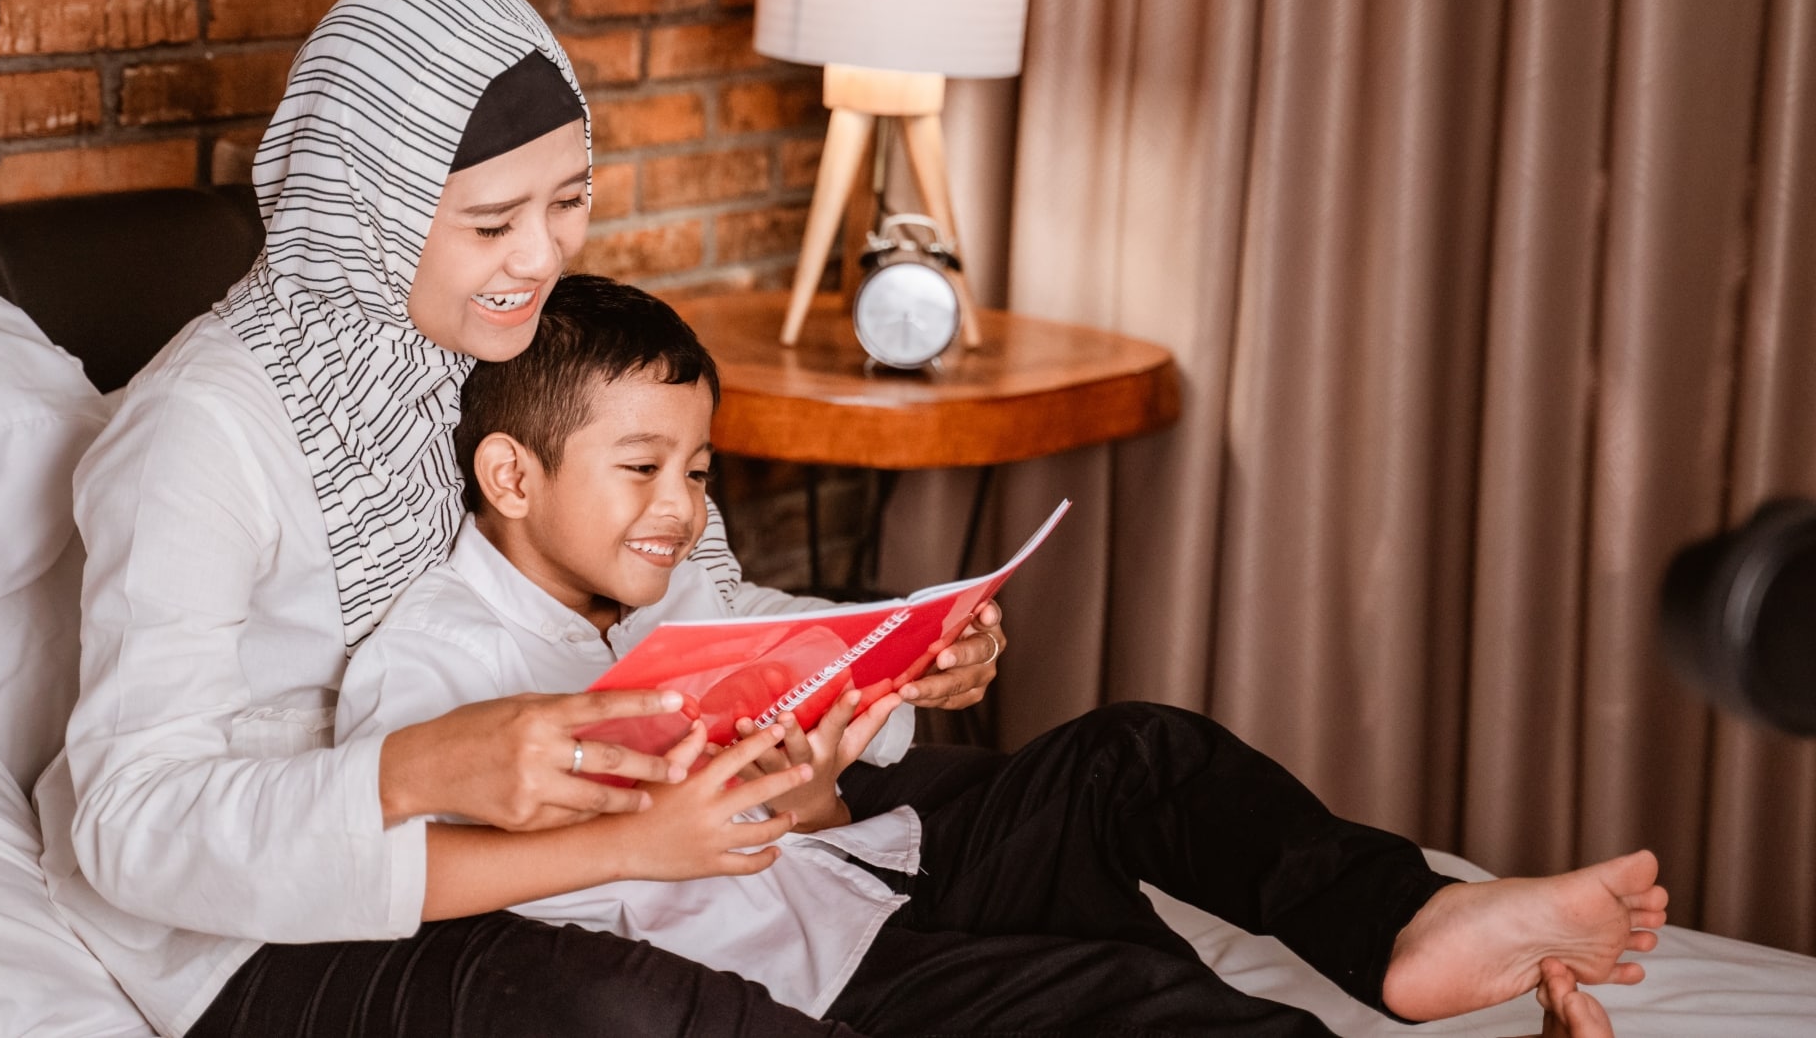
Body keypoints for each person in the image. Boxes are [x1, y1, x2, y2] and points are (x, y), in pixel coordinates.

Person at [35, 0, 1663, 1038]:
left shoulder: (488, 346)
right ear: (369, 202)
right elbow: (132, 824)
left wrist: (864, 670)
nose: (543, 259)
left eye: (570, 204)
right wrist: (436, 767)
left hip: (633, 822)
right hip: (298, 933)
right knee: (686, 1002)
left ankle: (1408, 922)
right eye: (492, 223)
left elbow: (704, 604)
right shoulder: (199, 440)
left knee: (1124, 764)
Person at [334, 273, 1661, 1038]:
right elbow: (410, 877)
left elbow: (827, 749)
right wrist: (722, 811)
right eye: (641, 470)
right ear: (510, 473)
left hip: (874, 858)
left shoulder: (685, 591)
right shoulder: (435, 665)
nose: (681, 507)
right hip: (811, 959)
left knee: (1136, 749)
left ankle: (1407, 924)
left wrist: (921, 672)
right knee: (1130, 1001)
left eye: (698, 468)